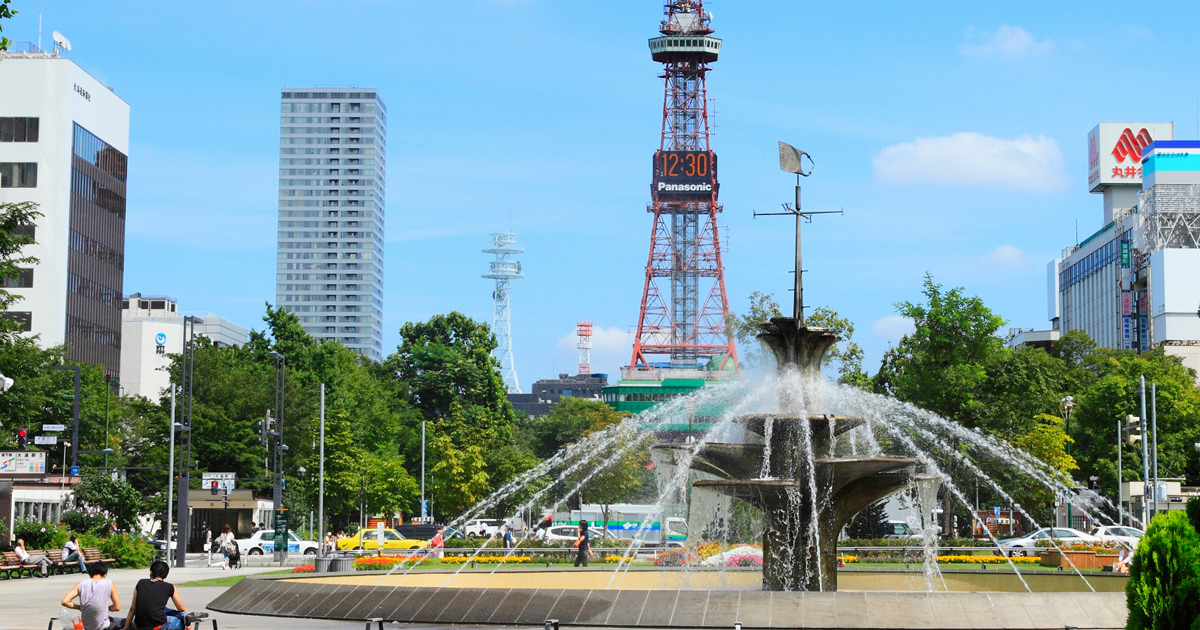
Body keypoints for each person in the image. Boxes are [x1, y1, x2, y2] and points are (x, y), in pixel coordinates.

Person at [123, 560, 195, 630]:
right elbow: (181, 608)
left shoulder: (141, 583)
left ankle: (186, 616)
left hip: (139, 626)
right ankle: (187, 618)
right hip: (158, 626)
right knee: (183, 621)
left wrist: (125, 627)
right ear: (166, 575)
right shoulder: (170, 587)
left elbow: (133, 608)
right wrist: (185, 614)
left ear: (151, 573)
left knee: (164, 609)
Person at [61, 561, 125, 630]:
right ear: (105, 574)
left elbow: (65, 601)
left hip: (88, 627)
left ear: (90, 574)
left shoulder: (81, 584)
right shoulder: (109, 583)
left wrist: (80, 607)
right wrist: (104, 608)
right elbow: (117, 607)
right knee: (129, 622)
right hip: (104, 627)